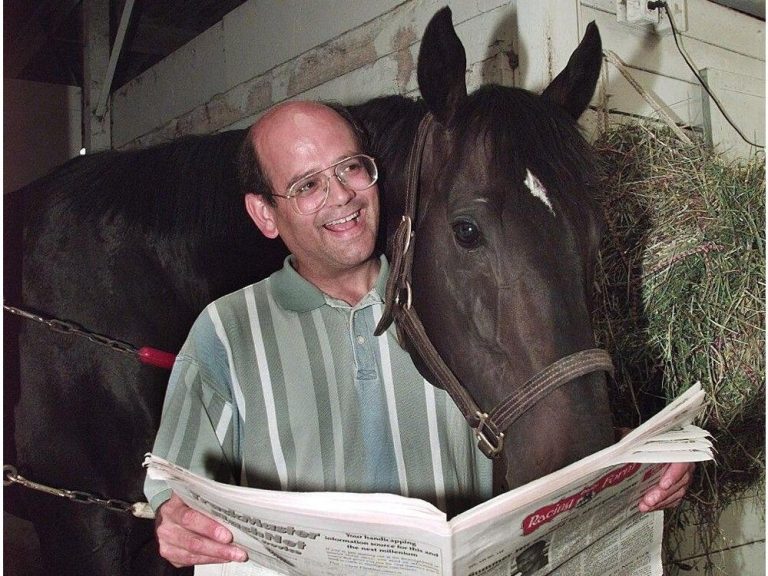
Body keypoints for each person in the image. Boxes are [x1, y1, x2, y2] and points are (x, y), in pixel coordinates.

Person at [144, 101, 694, 568]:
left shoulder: (448, 300)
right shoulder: (225, 333)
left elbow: (546, 426)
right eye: (308, 184)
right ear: (265, 214)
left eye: (351, 169)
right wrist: (175, 523)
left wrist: (644, 466)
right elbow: (176, 497)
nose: (341, 196)